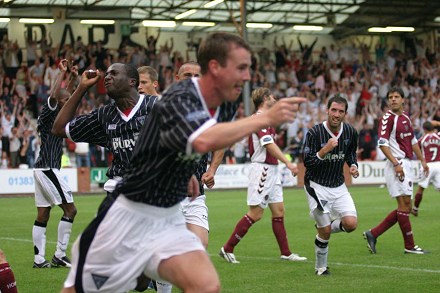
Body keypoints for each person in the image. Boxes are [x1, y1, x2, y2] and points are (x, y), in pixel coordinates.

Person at [61, 32, 305, 293]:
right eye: (241, 68)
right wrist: (263, 118)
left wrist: (184, 170)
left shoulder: (226, 103)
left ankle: (140, 274)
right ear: (215, 67)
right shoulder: (180, 95)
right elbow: (200, 140)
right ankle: (136, 272)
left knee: (206, 285)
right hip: (128, 215)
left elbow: (185, 143)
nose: (247, 76)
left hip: (168, 217)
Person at [155, 61, 223, 293]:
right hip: (165, 197)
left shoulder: (209, 111)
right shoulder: (161, 109)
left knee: (199, 246)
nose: (191, 79)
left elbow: (221, 141)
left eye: (196, 75)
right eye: (186, 75)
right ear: (176, 78)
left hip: (195, 196)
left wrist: (212, 169)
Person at [219, 87, 307, 264]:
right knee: (256, 213)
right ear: (265, 98)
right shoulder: (259, 119)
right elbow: (267, 144)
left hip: (271, 170)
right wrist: (288, 162)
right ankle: (227, 248)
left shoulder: (268, 119)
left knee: (279, 211)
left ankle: (286, 252)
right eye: (272, 96)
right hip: (262, 170)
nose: (275, 98)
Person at [52, 63, 157, 197]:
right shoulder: (103, 115)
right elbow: (59, 129)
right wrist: (82, 87)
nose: (107, 77)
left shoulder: (157, 105)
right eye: (106, 74)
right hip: (119, 188)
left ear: (132, 82)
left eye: (114, 73)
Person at [363, 87, 429, 255]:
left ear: (403, 100)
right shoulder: (387, 119)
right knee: (404, 205)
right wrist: (395, 163)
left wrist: (422, 159)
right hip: (397, 164)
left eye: (396, 97)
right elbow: (383, 144)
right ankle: (410, 245)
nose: (393, 99)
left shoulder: (405, 117)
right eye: (390, 97)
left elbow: (413, 141)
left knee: (406, 206)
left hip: (407, 163)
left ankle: (374, 233)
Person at [302, 94, 360, 276]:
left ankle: (323, 226)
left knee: (351, 224)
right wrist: (325, 149)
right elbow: (308, 162)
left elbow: (351, 153)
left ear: (345, 114)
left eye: (340, 111)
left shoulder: (350, 132)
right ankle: (321, 267)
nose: (336, 114)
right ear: (327, 110)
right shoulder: (314, 133)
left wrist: (353, 165)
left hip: (338, 185)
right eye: (333, 110)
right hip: (316, 185)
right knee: (325, 230)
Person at [32, 59, 78, 268]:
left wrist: (73, 78)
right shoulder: (50, 111)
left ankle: (39, 259)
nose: (69, 102)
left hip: (41, 168)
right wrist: (61, 73)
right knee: (70, 210)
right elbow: (55, 95)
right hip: (48, 168)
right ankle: (59, 255)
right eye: (66, 100)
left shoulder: (58, 110)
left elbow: (64, 96)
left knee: (43, 214)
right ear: (59, 102)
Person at [412, 121, 440, 216]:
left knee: (421, 188)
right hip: (439, 164)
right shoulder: (438, 137)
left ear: (424, 129)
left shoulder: (422, 139)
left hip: (427, 165)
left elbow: (415, 148)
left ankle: (415, 209)